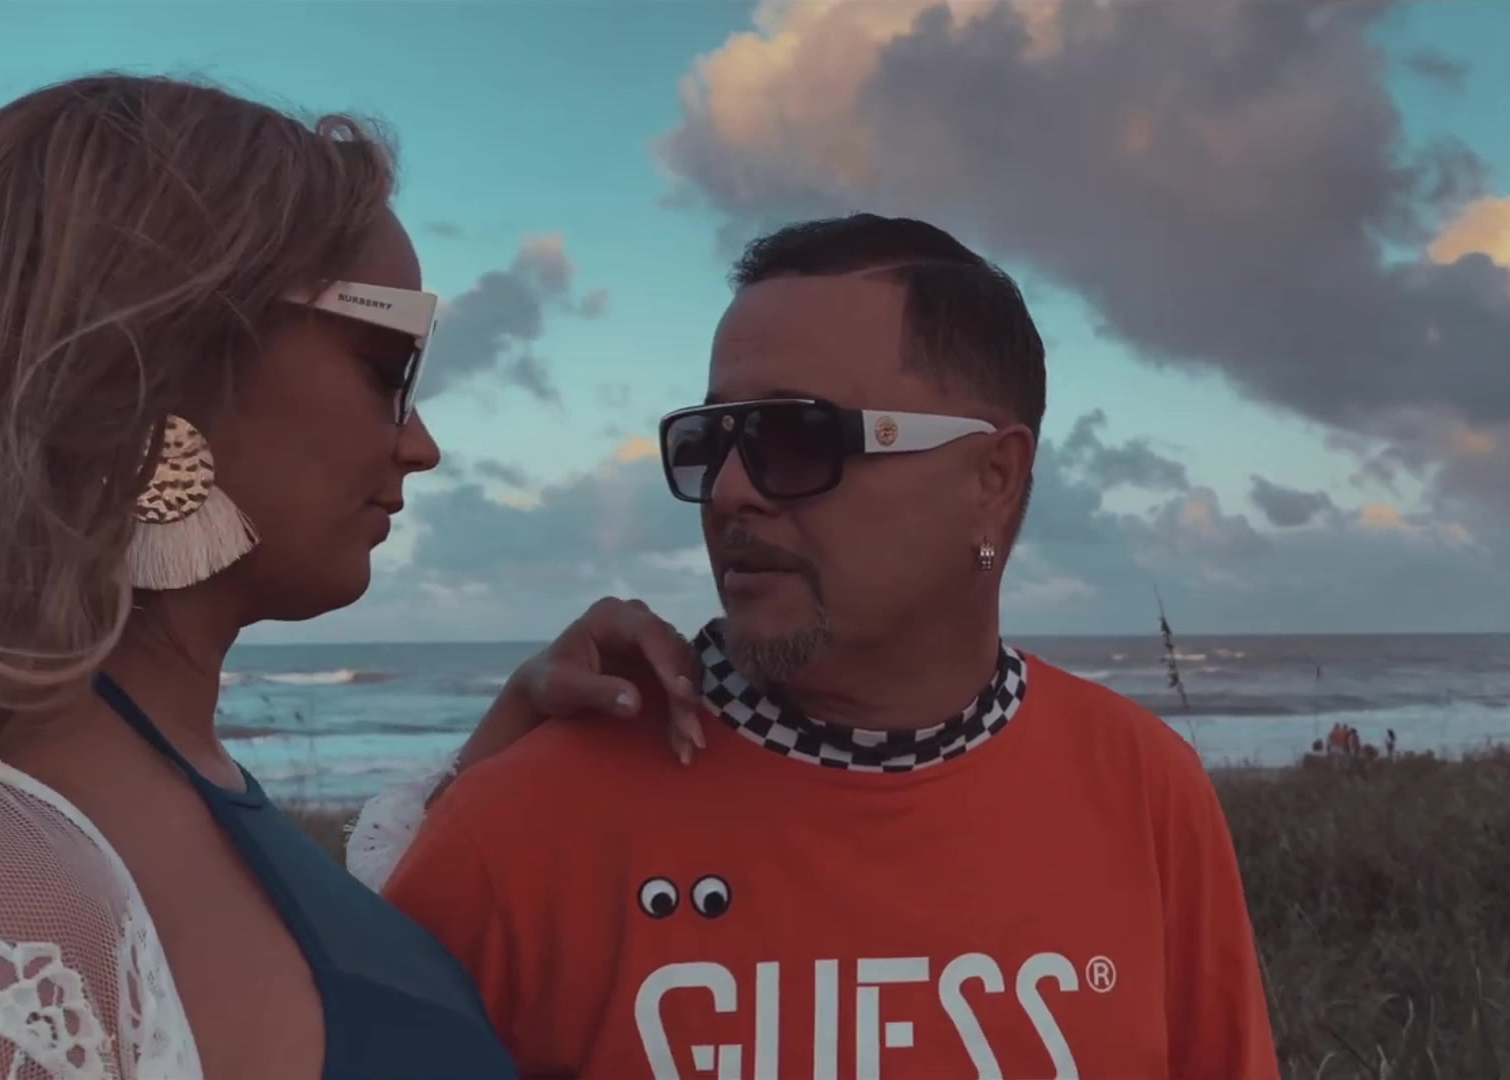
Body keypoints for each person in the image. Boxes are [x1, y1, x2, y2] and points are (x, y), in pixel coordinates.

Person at [382, 215, 1282, 1077]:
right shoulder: (527, 821)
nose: (730, 492)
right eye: (712, 441)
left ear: (992, 479)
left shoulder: (1143, 792)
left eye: (794, 438)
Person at [0, 74, 674, 1080]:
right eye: (389, 370)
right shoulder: (2, 898)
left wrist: (505, 736)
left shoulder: (148, 776)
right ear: (159, 360)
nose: (420, 445)